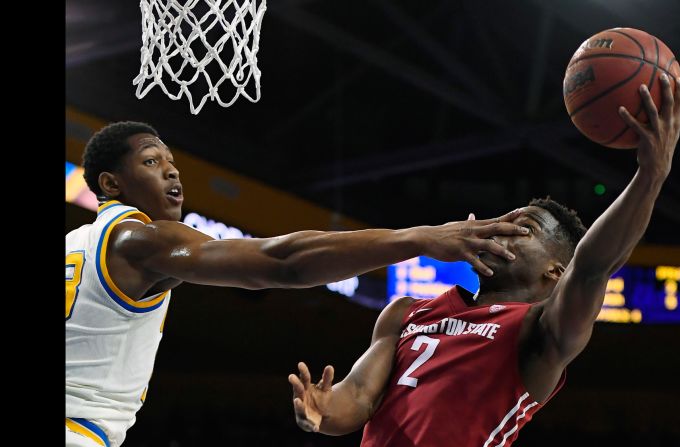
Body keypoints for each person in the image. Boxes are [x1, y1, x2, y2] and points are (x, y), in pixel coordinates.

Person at [65, 121, 533, 447]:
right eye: (150, 162)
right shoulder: (139, 238)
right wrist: (419, 238)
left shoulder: (77, 243)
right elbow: (282, 262)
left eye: (171, 162)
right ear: (111, 183)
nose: (171, 171)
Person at [289, 74, 680, 446]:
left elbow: (592, 267)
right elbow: (359, 394)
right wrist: (324, 410)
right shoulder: (406, 312)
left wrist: (650, 177)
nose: (501, 231)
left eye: (523, 228)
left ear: (555, 271)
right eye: (503, 223)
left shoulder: (540, 333)